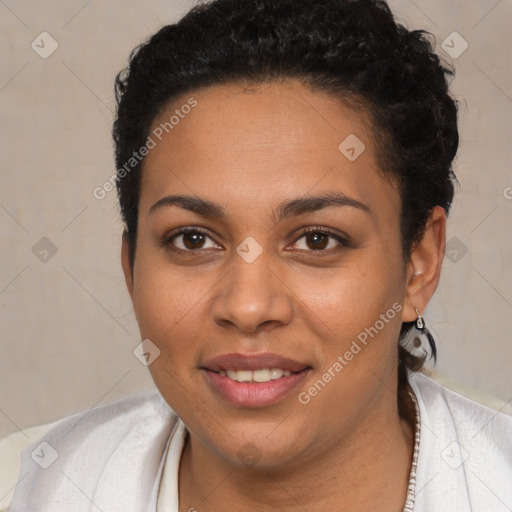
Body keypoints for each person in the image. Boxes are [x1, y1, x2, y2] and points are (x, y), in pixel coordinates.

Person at [8, 0, 512, 511]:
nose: (248, 307)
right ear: (131, 265)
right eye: (193, 239)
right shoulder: (25, 486)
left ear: (418, 265)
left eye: (318, 239)